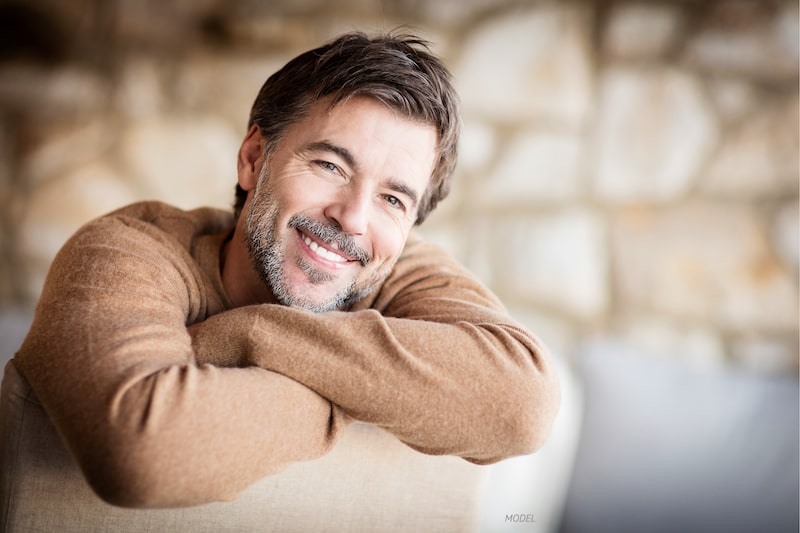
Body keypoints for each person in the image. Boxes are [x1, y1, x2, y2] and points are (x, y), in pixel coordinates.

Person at [9, 31, 560, 508]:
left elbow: (525, 406)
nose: (352, 218)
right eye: (329, 165)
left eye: (394, 199)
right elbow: (142, 453)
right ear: (254, 157)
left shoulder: (395, 265)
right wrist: (378, 393)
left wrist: (248, 332)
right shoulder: (129, 249)